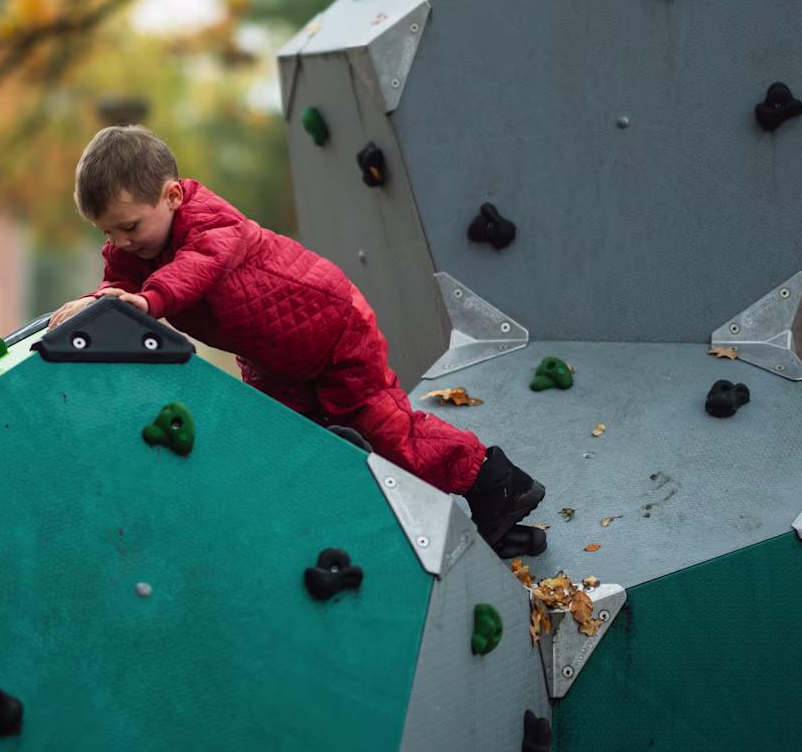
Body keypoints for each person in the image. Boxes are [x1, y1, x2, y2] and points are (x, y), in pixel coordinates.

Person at [52, 125, 548, 558]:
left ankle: (496, 483)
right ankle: (343, 535)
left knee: (387, 430)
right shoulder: (133, 250)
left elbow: (193, 271)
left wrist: (146, 301)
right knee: (287, 446)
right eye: (108, 232)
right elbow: (116, 289)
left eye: (129, 227)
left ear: (173, 196)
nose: (120, 242)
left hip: (332, 329)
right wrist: (93, 308)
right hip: (274, 359)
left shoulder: (212, 224)